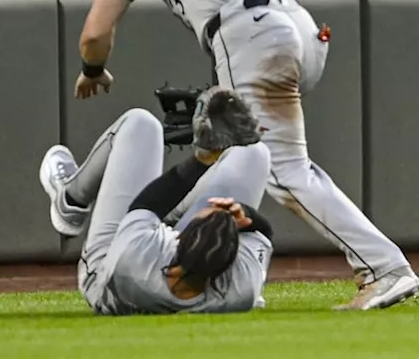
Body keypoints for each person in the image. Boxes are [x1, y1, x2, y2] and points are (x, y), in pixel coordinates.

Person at [72, 0, 419, 311]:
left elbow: (95, 33)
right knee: (253, 152)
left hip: (253, 31)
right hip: (304, 31)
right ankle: (193, 240)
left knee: (285, 170)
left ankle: (384, 267)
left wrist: (92, 69)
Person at [38, 92, 276, 315]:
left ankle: (71, 200)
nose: (213, 209)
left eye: (206, 214)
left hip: (107, 266)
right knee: (255, 153)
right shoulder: (240, 288)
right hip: (166, 258)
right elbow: (265, 232)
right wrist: (243, 213)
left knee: (141, 125)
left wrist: (203, 159)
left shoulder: (138, 257)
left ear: (178, 238)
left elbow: (149, 203)